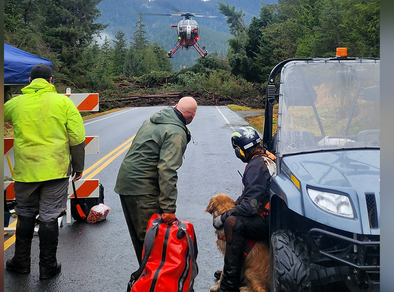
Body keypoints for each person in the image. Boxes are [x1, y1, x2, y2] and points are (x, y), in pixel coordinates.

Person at [3, 63, 86, 280]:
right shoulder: (63, 103)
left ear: (29, 81)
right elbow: (77, 137)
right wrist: (78, 166)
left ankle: (20, 262)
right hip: (55, 170)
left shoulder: (15, 103)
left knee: (25, 213)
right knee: (49, 215)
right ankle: (47, 266)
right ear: (51, 81)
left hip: (26, 170)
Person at [114, 96, 198, 263]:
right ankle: (155, 284)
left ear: (175, 106)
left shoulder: (151, 121)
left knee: (142, 243)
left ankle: (145, 281)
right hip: (143, 188)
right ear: (193, 116)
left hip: (126, 184)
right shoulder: (176, 132)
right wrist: (168, 208)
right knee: (153, 244)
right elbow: (167, 169)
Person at [213, 126, 276, 292]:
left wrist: (225, 216)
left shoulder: (256, 167)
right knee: (235, 218)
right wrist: (236, 205)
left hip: (268, 221)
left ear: (241, 151)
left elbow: (250, 206)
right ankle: (234, 269)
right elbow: (250, 194)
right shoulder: (266, 157)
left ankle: (229, 284)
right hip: (275, 216)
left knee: (233, 224)